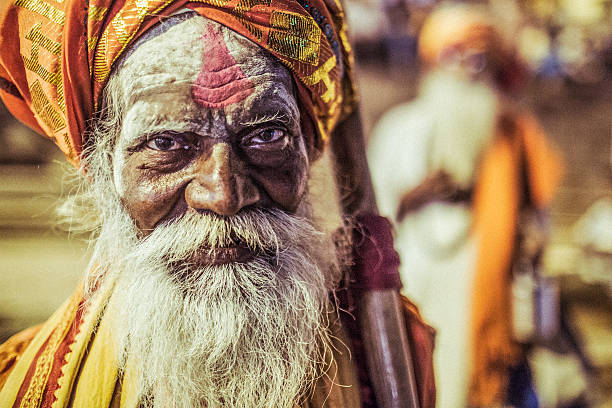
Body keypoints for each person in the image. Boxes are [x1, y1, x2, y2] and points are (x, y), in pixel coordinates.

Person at [0, 1, 436, 407]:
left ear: (311, 150)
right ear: (100, 166)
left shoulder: (392, 350)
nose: (224, 195)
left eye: (266, 135)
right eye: (166, 143)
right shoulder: (19, 387)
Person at [368, 4, 563, 408]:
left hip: (482, 292)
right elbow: (368, 220)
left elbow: (540, 221)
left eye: (478, 58)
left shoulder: (512, 135)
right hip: (414, 286)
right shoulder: (398, 129)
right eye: (454, 56)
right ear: (433, 61)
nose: (467, 69)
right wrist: (413, 195)